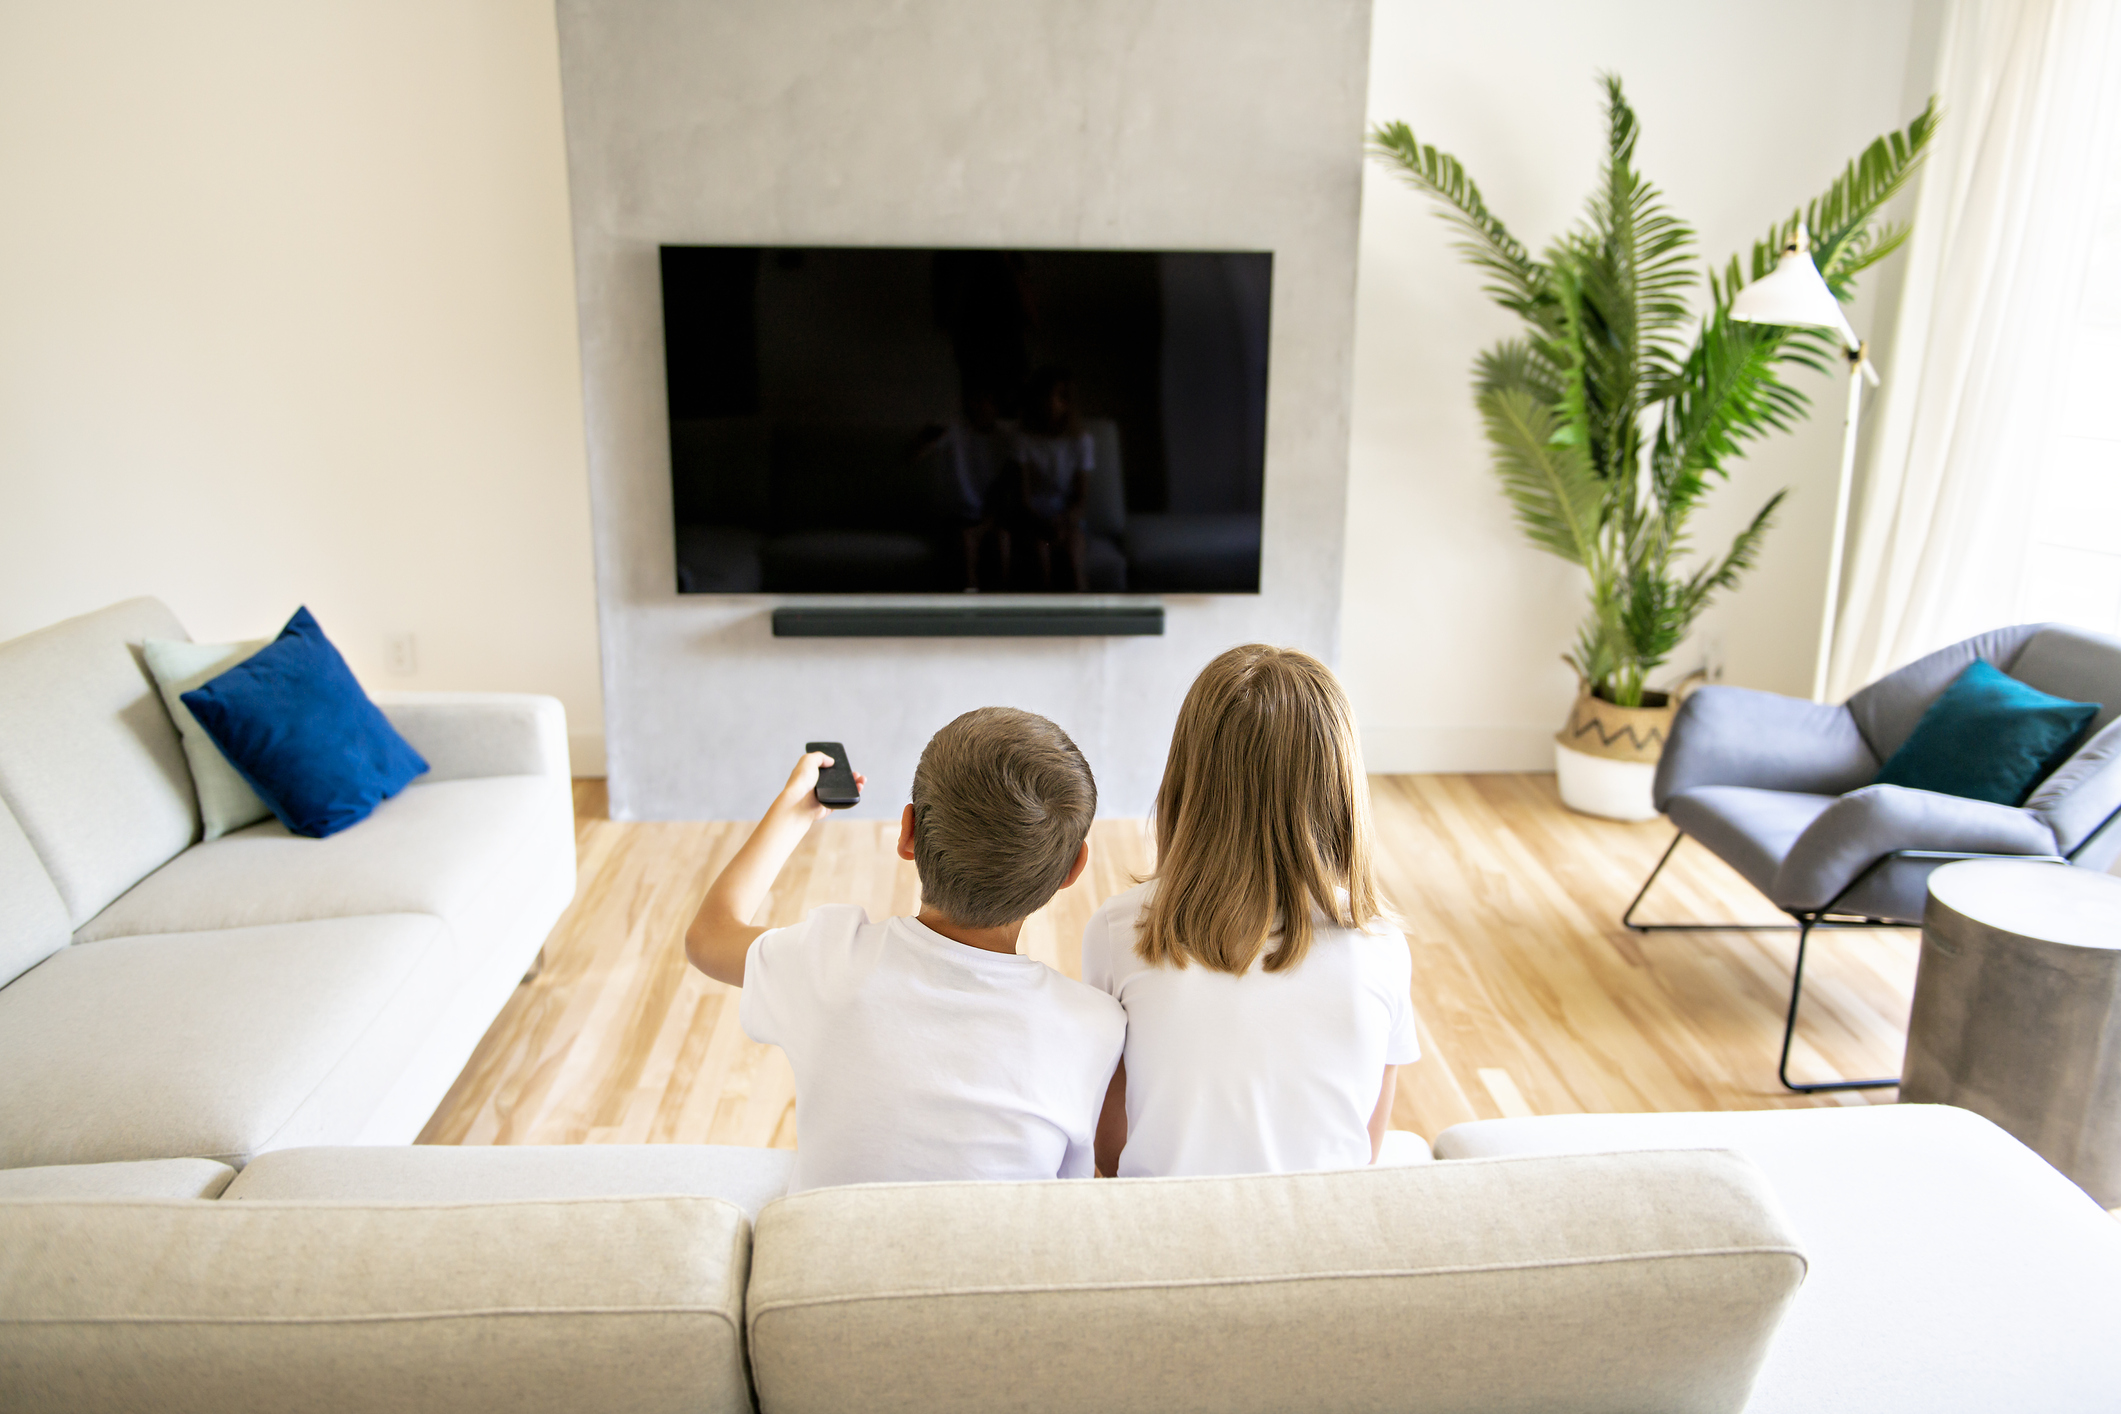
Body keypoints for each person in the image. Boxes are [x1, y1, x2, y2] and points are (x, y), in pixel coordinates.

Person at [683, 710, 1124, 1193]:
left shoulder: (828, 960)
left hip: (821, 1257)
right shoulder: (1094, 1024)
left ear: (908, 831)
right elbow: (1105, 1169)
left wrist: (793, 813)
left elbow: (708, 937)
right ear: (1073, 868)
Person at [1081, 645, 1421, 1177]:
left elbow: (1110, 1152)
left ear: (1187, 780)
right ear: (1340, 790)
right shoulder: (1381, 946)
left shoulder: (1121, 931)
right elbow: (1364, 1149)